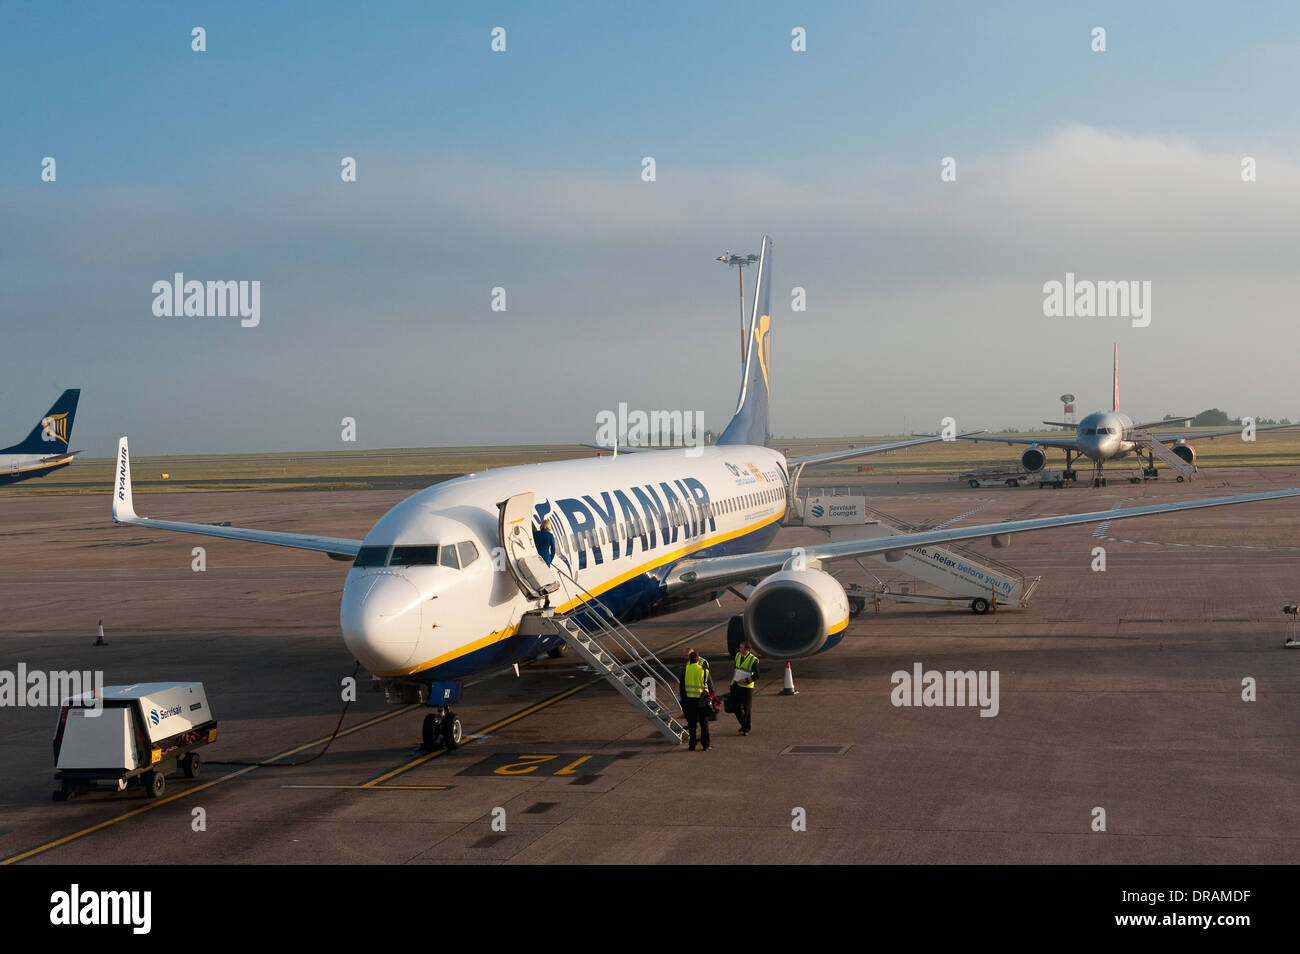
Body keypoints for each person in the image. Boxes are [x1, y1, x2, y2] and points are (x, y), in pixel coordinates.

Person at [679, 650, 711, 751]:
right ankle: (705, 745)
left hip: (689, 701)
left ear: (690, 660)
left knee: (692, 724)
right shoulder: (704, 670)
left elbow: (682, 687)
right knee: (704, 724)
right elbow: (709, 685)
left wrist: (684, 700)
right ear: (698, 660)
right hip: (701, 701)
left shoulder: (685, 670)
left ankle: (692, 745)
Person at [731, 641, 759, 735]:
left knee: (747, 708)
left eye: (741, 648)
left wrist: (746, 681)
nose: (739, 649)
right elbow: (735, 668)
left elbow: (757, 675)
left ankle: (746, 728)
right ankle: (744, 724)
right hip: (736, 684)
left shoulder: (753, 660)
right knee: (735, 707)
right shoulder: (738, 655)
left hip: (747, 687)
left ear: (747, 650)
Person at [533, 518, 556, 607]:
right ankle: (546, 598)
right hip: (546, 559)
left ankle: (537, 591)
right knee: (546, 579)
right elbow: (553, 550)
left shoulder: (536, 534)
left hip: (537, 558)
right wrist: (550, 559)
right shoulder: (550, 535)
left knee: (538, 576)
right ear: (548, 526)